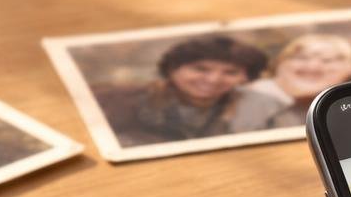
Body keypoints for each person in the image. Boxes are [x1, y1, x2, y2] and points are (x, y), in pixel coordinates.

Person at [92, 35, 278, 146]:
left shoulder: (255, 107)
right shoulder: (117, 101)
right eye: (200, 69)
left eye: (231, 72)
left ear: (246, 78)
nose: (213, 80)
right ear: (173, 69)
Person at [241, 33, 351, 128]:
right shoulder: (247, 99)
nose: (312, 67)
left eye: (328, 60)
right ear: (278, 64)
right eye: (301, 58)